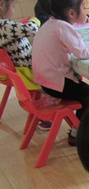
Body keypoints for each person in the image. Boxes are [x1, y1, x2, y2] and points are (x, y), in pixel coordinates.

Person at [32, 0, 89, 146]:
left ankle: (80, 127)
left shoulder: (51, 23)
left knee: (87, 93)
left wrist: (83, 21)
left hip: (45, 80)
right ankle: (76, 133)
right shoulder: (63, 27)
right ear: (71, 13)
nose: (86, 12)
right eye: (84, 8)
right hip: (57, 83)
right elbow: (82, 52)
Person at [0, 0, 51, 130]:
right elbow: (33, 29)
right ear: (1, 5)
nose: (13, 10)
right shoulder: (4, 26)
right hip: (28, 71)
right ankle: (45, 116)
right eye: (13, 6)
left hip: (16, 69)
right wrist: (34, 19)